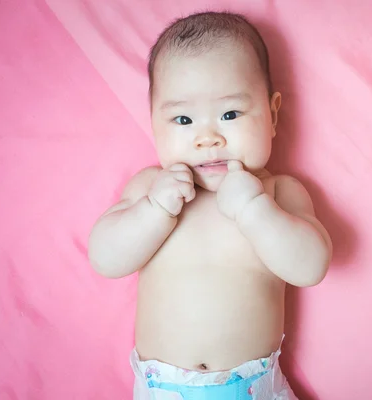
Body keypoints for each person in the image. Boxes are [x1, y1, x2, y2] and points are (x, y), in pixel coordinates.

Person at [88, 11, 332, 399]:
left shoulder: (279, 193)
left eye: (230, 114)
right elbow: (105, 258)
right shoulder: (151, 187)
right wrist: (155, 209)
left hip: (256, 388)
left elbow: (310, 267)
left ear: (272, 114)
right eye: (183, 119)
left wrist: (254, 209)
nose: (208, 138)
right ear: (154, 122)